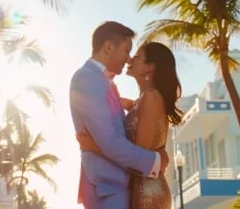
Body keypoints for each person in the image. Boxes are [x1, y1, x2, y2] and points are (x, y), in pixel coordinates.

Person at [70, 21, 171, 209]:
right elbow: (110, 142)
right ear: (108, 47)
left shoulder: (104, 82)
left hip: (117, 188)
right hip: (107, 188)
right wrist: (155, 161)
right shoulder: (87, 78)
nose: (128, 59)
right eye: (126, 51)